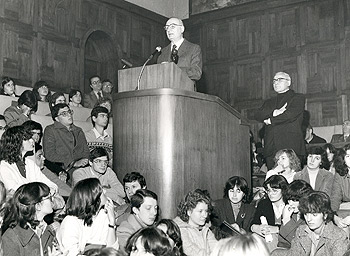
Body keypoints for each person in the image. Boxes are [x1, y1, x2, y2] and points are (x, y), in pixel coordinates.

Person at [254, 72, 305, 169]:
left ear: (289, 82)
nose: (276, 83)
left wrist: (271, 120)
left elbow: (290, 115)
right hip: (271, 149)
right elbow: (257, 114)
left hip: (290, 147)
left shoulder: (297, 98)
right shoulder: (269, 102)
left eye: (280, 79)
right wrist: (274, 112)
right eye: (274, 81)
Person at [271, 191, 349, 256]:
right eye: (306, 214)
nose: (308, 219)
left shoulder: (338, 236)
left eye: (314, 215)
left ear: (325, 215)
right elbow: (294, 254)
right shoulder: (301, 231)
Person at [56, 178, 118, 256]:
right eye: (101, 190)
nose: (105, 191)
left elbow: (112, 250)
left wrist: (112, 222)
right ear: (93, 197)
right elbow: (71, 253)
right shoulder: (71, 221)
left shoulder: (103, 215)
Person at [2, 182, 58, 256]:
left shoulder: (47, 229)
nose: (53, 199)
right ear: (38, 206)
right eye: (49, 198)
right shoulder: (11, 237)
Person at [0, 126, 58, 195]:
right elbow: (15, 191)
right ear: (16, 142)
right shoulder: (4, 166)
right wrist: (43, 192)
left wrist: (51, 190)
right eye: (27, 139)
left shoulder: (30, 163)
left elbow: (49, 183)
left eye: (31, 138)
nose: (32, 141)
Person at [157, 17, 202, 87]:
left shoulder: (193, 48)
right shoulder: (162, 52)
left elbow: (196, 73)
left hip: (185, 92)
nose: (168, 30)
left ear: (182, 29)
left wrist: (173, 69)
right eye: (167, 28)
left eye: (172, 26)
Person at [43, 103, 89, 170]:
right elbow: (50, 155)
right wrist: (73, 163)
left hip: (82, 167)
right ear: (57, 119)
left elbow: (86, 151)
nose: (69, 115)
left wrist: (85, 160)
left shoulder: (78, 130)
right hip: (61, 168)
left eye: (69, 112)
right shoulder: (50, 130)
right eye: (64, 114)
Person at [173, 189, 217, 256]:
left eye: (206, 211)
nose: (205, 215)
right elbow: (189, 250)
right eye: (200, 211)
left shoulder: (206, 229)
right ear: (189, 212)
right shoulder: (181, 229)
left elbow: (217, 248)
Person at [278, 180, 313, 248]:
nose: (290, 203)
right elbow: (281, 239)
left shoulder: (311, 216)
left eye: (294, 200)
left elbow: (300, 243)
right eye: (289, 200)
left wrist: (286, 220)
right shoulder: (289, 212)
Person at [251, 175, 288, 240]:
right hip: (268, 239)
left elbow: (294, 228)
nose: (270, 193)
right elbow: (253, 223)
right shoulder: (264, 203)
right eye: (268, 190)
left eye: (274, 191)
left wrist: (276, 229)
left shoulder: (290, 204)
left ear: (283, 190)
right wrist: (257, 228)